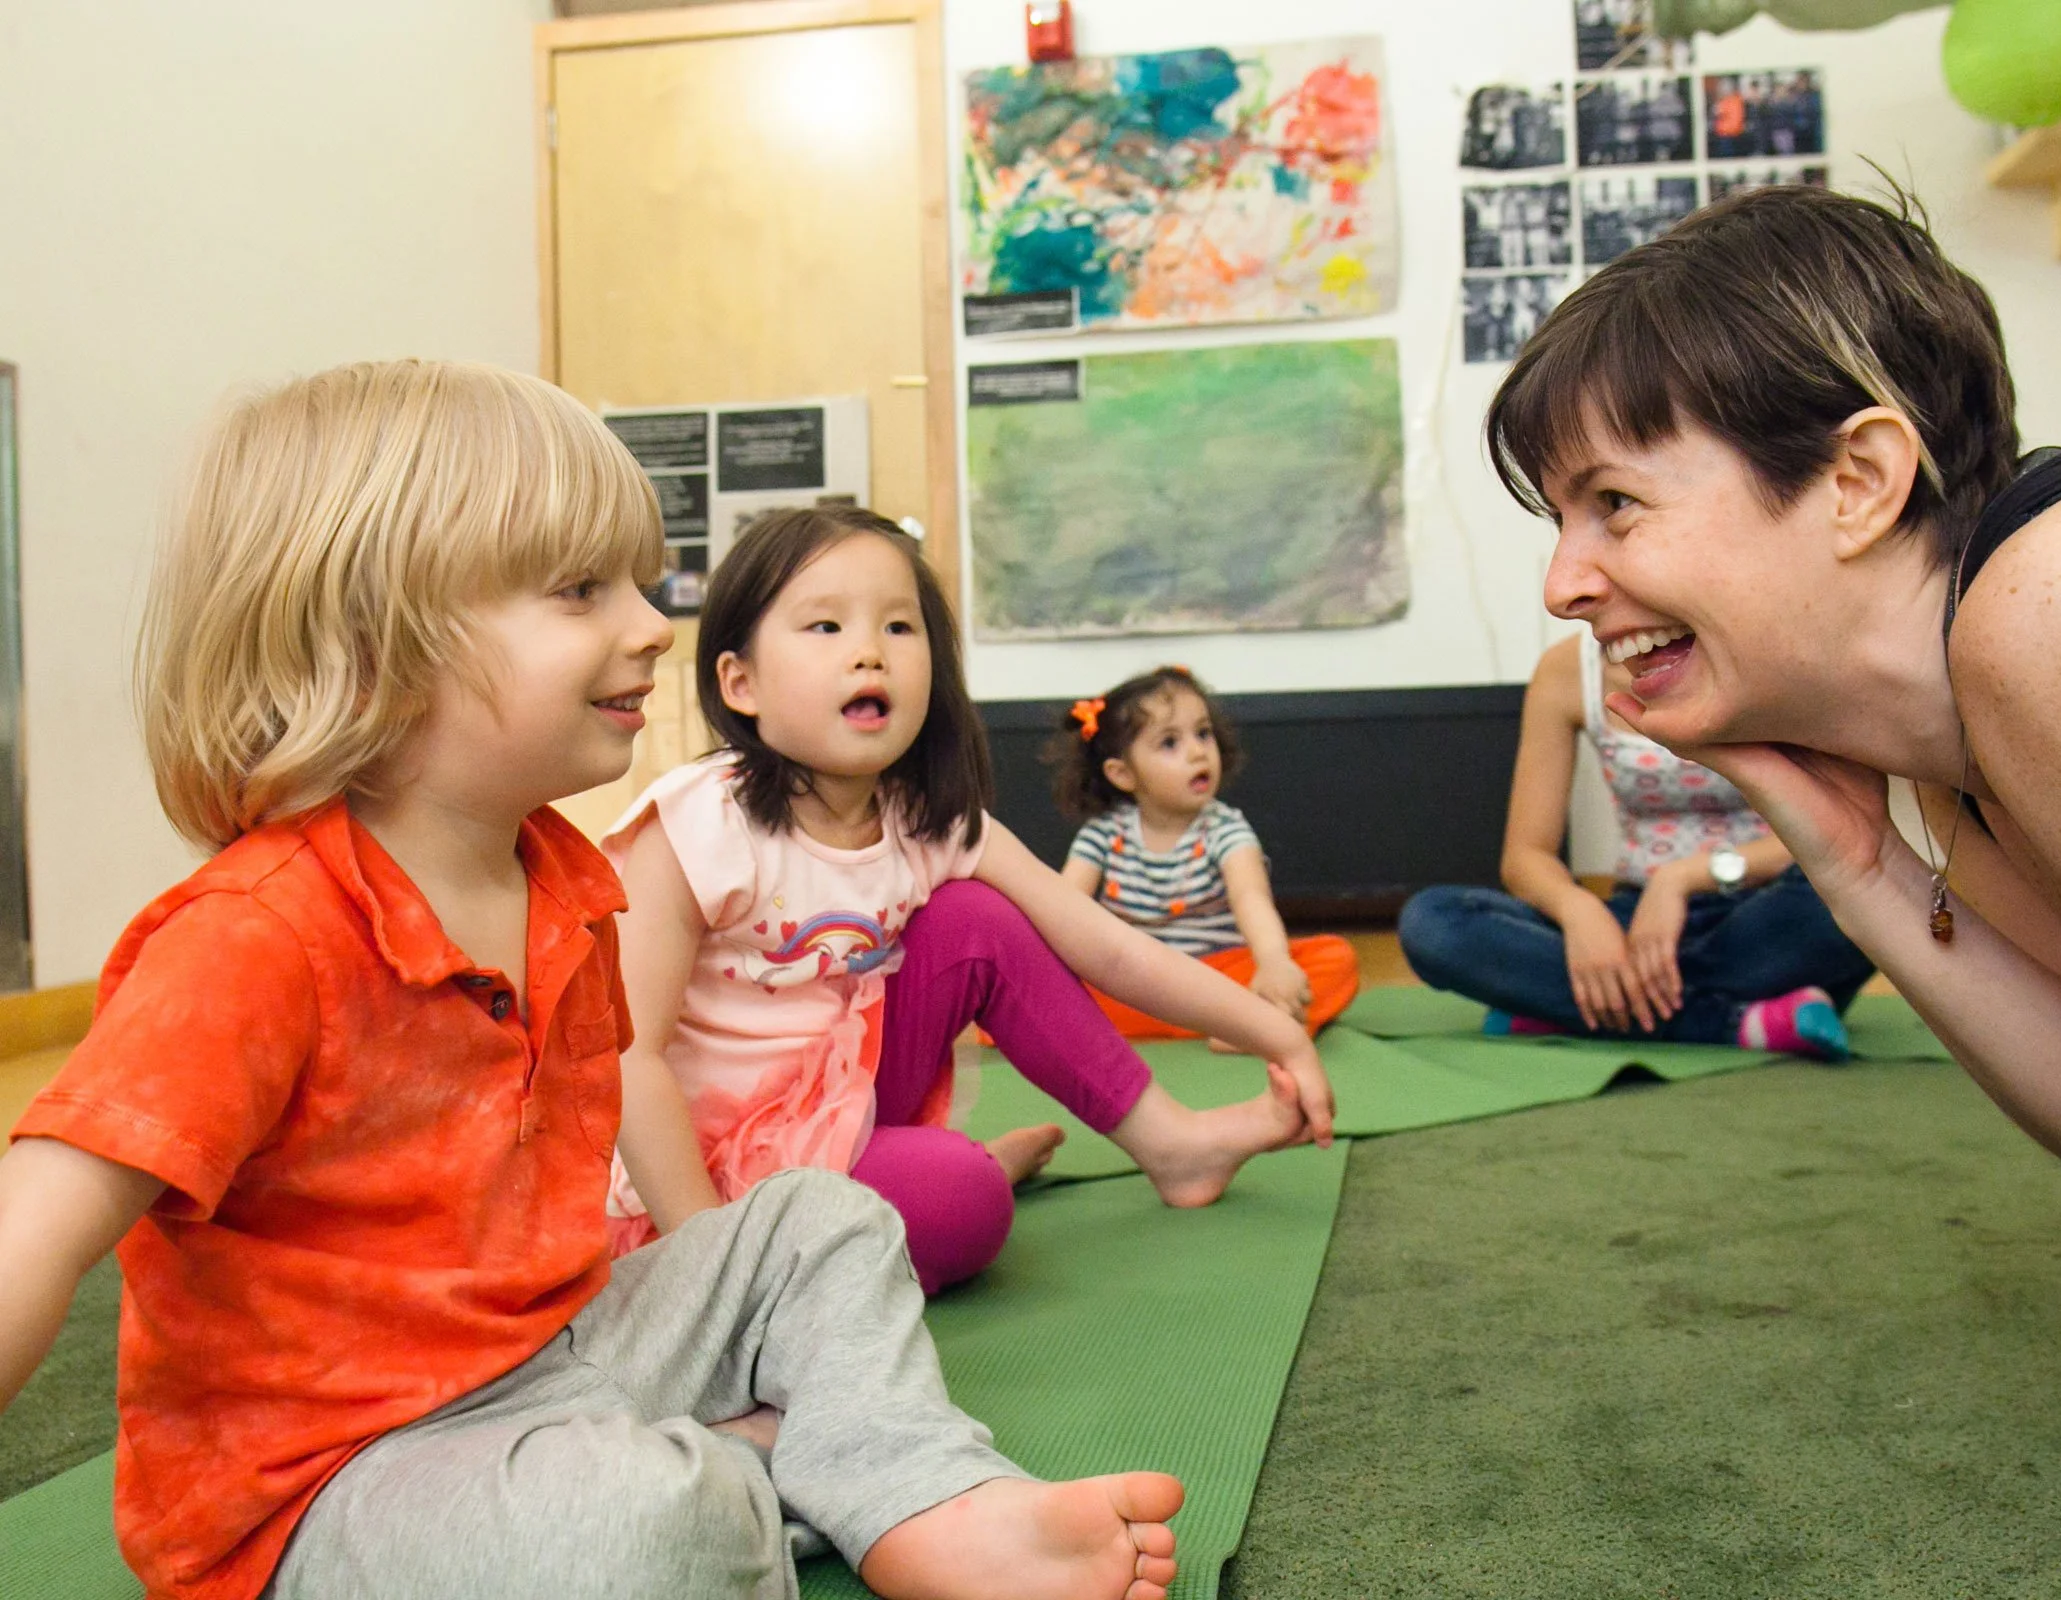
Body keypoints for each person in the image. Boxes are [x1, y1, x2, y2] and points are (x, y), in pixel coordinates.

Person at [0, 360, 1185, 1600]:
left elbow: (632, 1129)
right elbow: (42, 1215)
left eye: (636, 579)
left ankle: (910, 1491)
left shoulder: (567, 883)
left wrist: (695, 1306)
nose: (653, 625)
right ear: (373, 643)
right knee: (630, 1526)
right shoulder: (254, 935)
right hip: (328, 1483)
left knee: (827, 1221)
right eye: (579, 591)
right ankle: (756, 1475)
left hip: (554, 1351)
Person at [1483, 184, 2061, 1518]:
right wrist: (1861, 871)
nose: (1564, 583)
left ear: (1858, 481)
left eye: (1615, 505)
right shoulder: (1935, 772)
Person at [608, 511, 1336, 1296]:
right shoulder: (696, 825)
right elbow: (627, 1053)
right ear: (738, 683)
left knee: (975, 922)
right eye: (825, 625)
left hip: (846, 1105)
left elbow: (1107, 947)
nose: (869, 651)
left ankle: (1172, 1142)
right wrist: (704, 1261)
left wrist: (1277, 1034)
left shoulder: (930, 819)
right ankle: (959, 1171)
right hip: (715, 1174)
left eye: (899, 626)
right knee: (962, 1199)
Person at [1399, 632, 1870, 1057]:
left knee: (1864, 903)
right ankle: (1735, 1021)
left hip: (1761, 914)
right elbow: (1525, 857)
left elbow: (1837, 832)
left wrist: (1681, 879)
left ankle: (1560, 1007)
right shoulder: (1567, 671)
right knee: (1433, 922)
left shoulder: (1771, 650)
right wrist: (1579, 910)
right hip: (1629, 925)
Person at [1049, 666, 1359, 1041]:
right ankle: (1256, 1025)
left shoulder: (1225, 829)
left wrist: (1274, 961)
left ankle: (1254, 1025)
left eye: (1203, 733)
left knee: (1336, 958)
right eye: (1169, 743)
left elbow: (1251, 898)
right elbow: (1062, 906)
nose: (1198, 752)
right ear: (1123, 774)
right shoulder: (1102, 834)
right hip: (1134, 983)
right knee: (1023, 993)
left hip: (1217, 980)